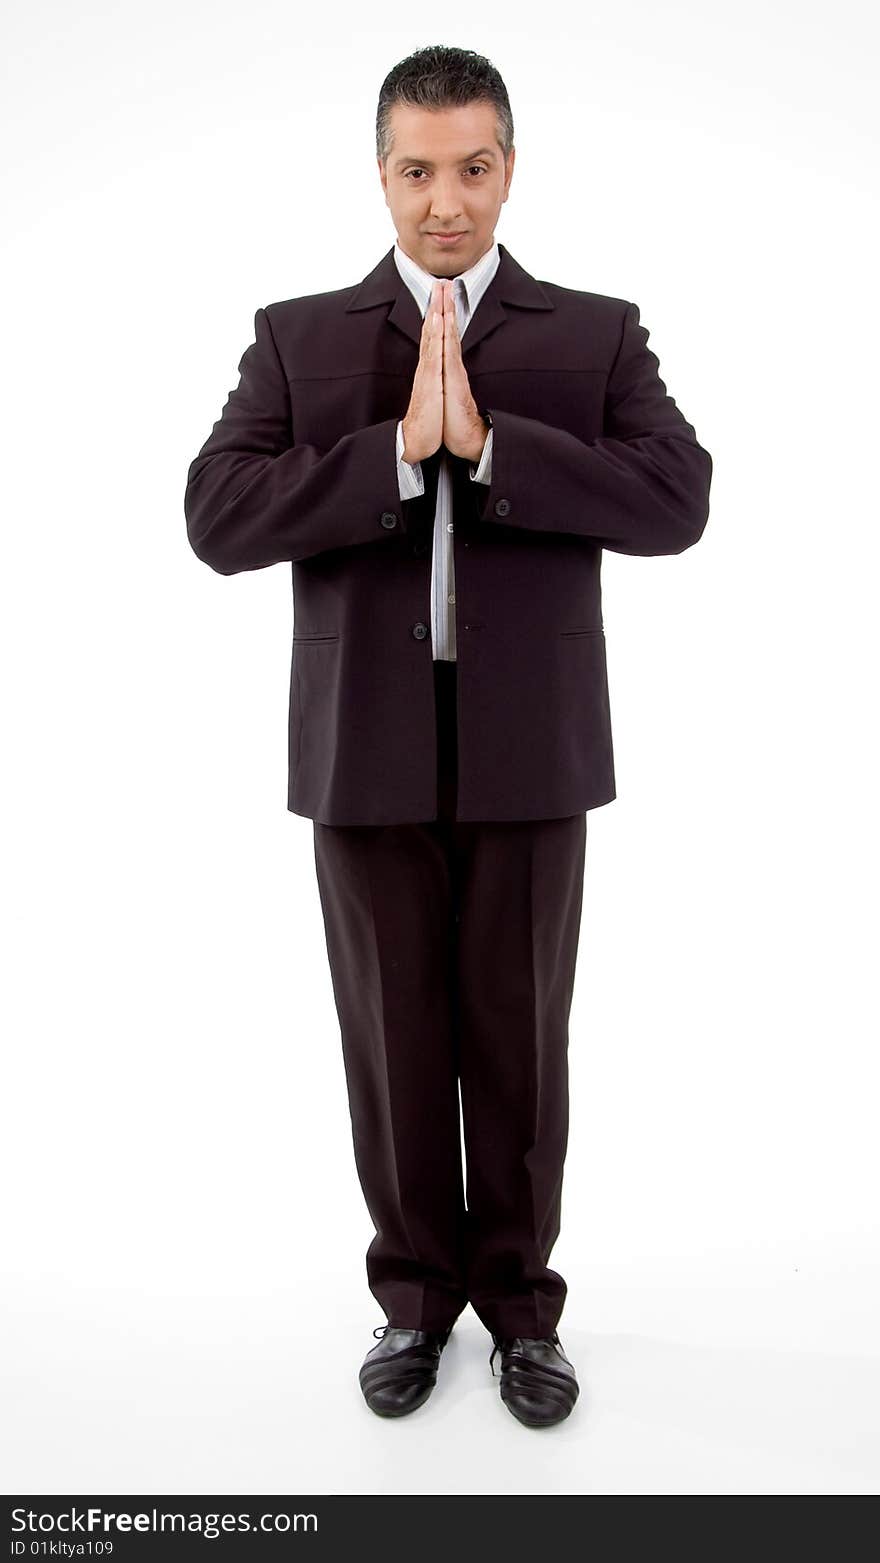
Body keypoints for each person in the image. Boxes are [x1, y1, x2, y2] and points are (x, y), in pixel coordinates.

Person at [184, 43, 713, 1429]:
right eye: (416, 171)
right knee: (395, 1040)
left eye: (472, 169)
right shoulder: (300, 336)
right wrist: (390, 453)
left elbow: (677, 499)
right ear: (381, 173)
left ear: (509, 171)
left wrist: (490, 450)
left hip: (535, 754)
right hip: (362, 752)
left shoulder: (591, 331)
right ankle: (414, 1301)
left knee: (522, 1044)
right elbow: (217, 517)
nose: (443, 203)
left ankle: (523, 1310)